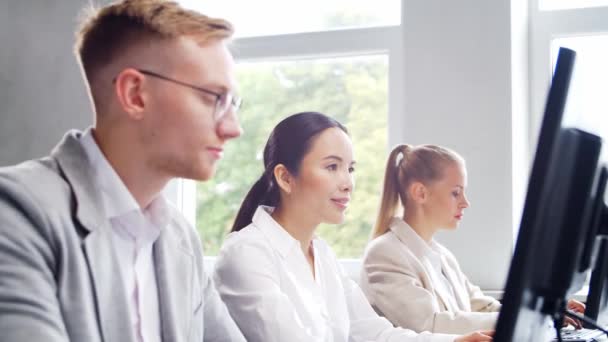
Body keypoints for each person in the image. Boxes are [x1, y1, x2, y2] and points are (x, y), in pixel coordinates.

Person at [0, 1, 246, 341]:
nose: (233, 128)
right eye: (213, 98)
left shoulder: (180, 239)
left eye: (232, 103)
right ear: (135, 94)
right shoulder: (14, 213)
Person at [212, 112, 493, 342]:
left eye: (350, 169)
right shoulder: (246, 254)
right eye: (332, 167)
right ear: (285, 177)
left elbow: (375, 332)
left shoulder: (322, 256)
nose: (347, 183)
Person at [360, 144, 585, 335]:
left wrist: (542, 311)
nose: (465, 202)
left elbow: (480, 306)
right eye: (456, 192)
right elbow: (429, 324)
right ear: (420, 193)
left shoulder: (442, 255)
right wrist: (530, 319)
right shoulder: (385, 254)